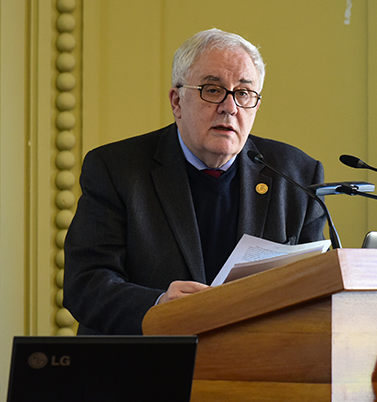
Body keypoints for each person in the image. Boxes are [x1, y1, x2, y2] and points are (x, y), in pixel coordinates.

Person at [63, 28, 326, 335]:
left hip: (256, 357)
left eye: (243, 93)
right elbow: (85, 283)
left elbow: (316, 288)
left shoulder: (296, 175)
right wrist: (158, 305)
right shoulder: (116, 169)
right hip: (147, 357)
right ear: (177, 101)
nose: (230, 107)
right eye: (212, 90)